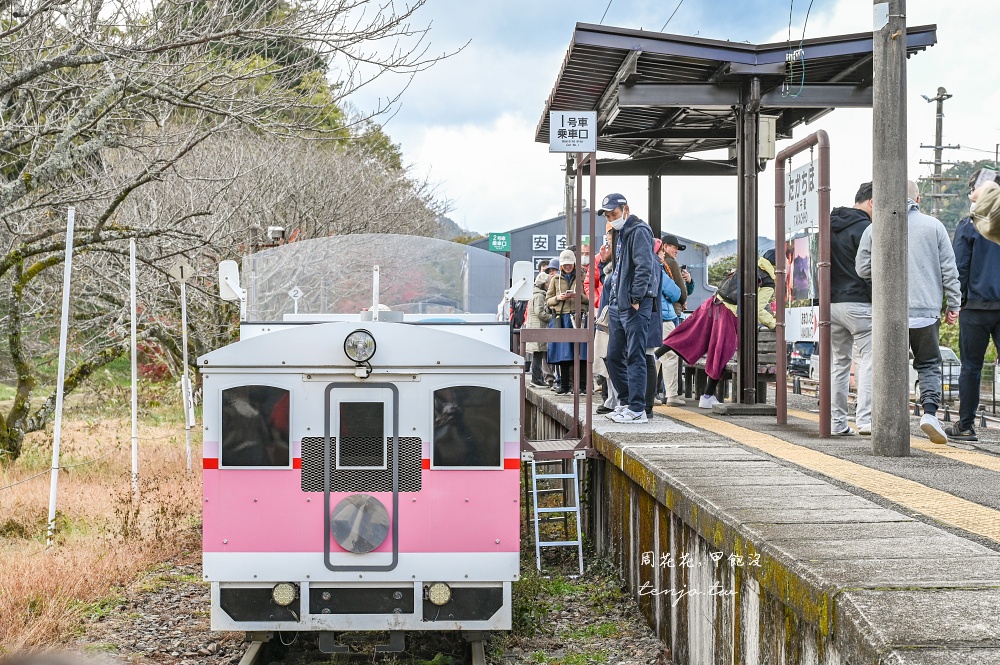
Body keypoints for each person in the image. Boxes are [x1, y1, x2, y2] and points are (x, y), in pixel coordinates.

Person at [856, 180, 960, 444]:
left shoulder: (875, 227)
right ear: (918, 199)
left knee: (889, 365)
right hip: (926, 312)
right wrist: (954, 304)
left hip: (889, 313)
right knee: (927, 364)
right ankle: (930, 414)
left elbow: (862, 269)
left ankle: (883, 417)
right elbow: (950, 270)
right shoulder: (934, 226)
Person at [663, 250, 777, 409]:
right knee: (722, 353)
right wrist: (774, 323)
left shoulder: (748, 267)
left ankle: (655, 355)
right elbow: (757, 309)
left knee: (688, 331)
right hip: (728, 313)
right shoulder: (769, 281)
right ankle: (707, 396)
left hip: (713, 303)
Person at [946, 170, 1000, 442]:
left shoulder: (969, 225)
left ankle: (965, 425)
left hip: (976, 308)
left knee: (971, 367)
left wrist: (956, 303)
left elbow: (960, 269)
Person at [599, 193, 657, 423]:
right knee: (613, 356)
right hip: (618, 303)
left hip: (634, 305)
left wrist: (635, 297)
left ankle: (637, 408)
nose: (611, 219)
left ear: (626, 209)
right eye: (608, 215)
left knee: (635, 356)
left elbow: (645, 267)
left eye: (614, 214)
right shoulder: (620, 233)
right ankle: (625, 402)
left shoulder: (640, 231)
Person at [828, 182, 874, 436]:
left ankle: (837, 423)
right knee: (868, 360)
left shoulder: (829, 224)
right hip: (860, 303)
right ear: (872, 202)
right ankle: (865, 421)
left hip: (831, 304)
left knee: (839, 363)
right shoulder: (867, 228)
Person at [546, 249, 589, 394]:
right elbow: (548, 301)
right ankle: (564, 385)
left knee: (582, 353)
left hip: (579, 317)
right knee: (563, 354)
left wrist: (579, 297)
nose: (567, 267)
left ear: (574, 263)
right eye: (565, 265)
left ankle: (583, 386)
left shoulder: (583, 277)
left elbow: (590, 298)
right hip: (562, 317)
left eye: (569, 264)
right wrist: (558, 298)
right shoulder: (555, 279)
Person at [652, 239, 684, 406]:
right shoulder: (658, 268)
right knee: (669, 356)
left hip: (650, 318)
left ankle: (649, 394)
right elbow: (675, 292)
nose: (663, 254)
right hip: (664, 317)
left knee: (653, 354)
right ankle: (671, 395)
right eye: (661, 252)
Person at [526, 271, 553, 388]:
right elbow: (540, 312)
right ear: (544, 283)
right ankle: (536, 379)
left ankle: (538, 378)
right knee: (537, 355)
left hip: (535, 327)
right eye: (548, 283)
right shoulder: (540, 296)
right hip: (538, 328)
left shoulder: (535, 294)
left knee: (537, 354)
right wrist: (552, 318)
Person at [660, 233, 693, 318]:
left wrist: (689, 281)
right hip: (674, 311)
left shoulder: (655, 263)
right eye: (675, 248)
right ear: (665, 246)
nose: (677, 251)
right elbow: (683, 295)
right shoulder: (672, 263)